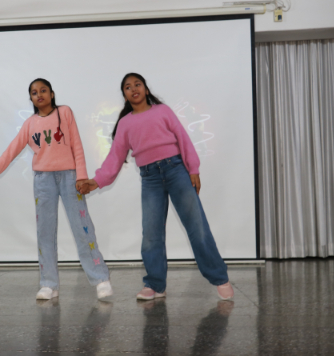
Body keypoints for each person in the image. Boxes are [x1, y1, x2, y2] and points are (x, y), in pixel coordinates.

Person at [81, 73, 234, 301]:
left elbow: (183, 138)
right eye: (128, 87)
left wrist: (193, 169)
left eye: (138, 84)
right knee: (151, 234)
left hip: (176, 171)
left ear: (145, 89)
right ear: (124, 95)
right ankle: (155, 285)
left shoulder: (163, 111)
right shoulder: (125, 123)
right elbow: (115, 157)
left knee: (197, 227)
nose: (134, 89)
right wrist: (96, 181)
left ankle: (220, 278)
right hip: (150, 178)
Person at [0, 78, 113, 300]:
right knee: (45, 232)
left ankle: (101, 279)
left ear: (52, 94)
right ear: (31, 98)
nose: (39, 95)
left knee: (82, 227)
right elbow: (10, 152)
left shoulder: (64, 112)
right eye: (34, 92)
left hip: (70, 177)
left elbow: (76, 145)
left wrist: (82, 177)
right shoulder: (29, 124)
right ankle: (49, 284)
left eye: (43, 90)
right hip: (43, 181)